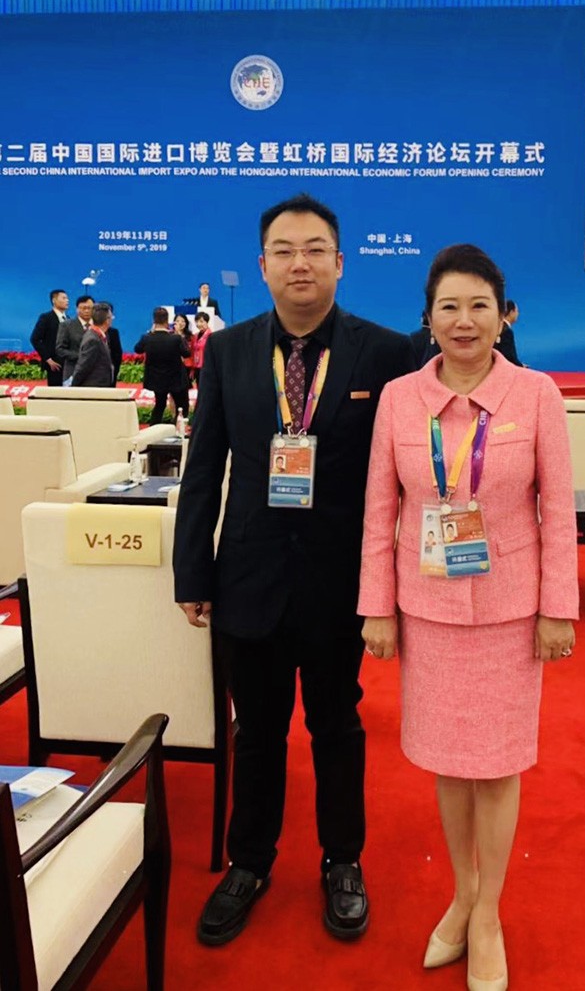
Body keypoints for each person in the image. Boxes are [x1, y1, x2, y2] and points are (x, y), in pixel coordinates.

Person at [172, 194, 414, 949]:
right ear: (262, 265)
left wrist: (395, 586)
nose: (299, 263)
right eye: (284, 250)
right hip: (249, 576)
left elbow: (407, 474)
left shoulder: (386, 353)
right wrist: (192, 573)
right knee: (258, 731)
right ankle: (249, 863)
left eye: (314, 250)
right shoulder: (230, 350)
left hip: (341, 581)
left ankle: (343, 861)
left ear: (340, 263)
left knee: (337, 725)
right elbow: (204, 467)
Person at [359, 244, 579, 991]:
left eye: (479, 305)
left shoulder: (537, 395)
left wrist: (558, 609)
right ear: (428, 319)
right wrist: (376, 608)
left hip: (512, 614)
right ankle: (462, 893)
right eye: (448, 306)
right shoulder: (399, 399)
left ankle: (488, 917)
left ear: (502, 315)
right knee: (449, 762)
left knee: (498, 763)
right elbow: (379, 511)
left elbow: (559, 512)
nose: (464, 320)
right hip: (427, 610)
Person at [134, 308, 190, 425]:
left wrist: (150, 332)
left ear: (153, 321)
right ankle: (177, 429)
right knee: (181, 406)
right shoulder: (176, 338)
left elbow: (138, 349)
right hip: (175, 379)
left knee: (160, 405)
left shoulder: (147, 338)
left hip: (156, 379)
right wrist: (179, 335)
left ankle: (153, 429)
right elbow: (186, 353)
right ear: (167, 321)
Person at [30, 289, 69, 386]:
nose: (67, 300)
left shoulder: (68, 319)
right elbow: (35, 339)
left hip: (68, 365)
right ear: (54, 300)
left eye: (67, 298)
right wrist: (48, 359)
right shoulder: (46, 318)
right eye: (64, 298)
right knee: (55, 392)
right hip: (54, 365)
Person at [71, 303, 114, 387]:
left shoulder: (97, 335)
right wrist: (73, 387)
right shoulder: (93, 340)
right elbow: (83, 366)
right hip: (93, 387)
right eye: (111, 317)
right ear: (107, 320)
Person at [55, 294, 94, 382]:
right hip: (72, 372)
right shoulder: (66, 326)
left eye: (89, 308)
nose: (87, 311)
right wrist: (81, 356)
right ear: (77, 309)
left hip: (95, 374)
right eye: (83, 308)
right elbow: (60, 349)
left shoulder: (99, 325)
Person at [498, 299, 523, 367]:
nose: (518, 314)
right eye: (517, 311)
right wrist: (521, 366)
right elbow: (509, 356)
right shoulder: (507, 331)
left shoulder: (498, 327)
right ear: (511, 312)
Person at [103, 302, 123, 385]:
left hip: (110, 373)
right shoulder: (90, 331)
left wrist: (115, 370)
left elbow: (117, 353)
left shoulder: (113, 332)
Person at [173, 313, 195, 385]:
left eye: (183, 321)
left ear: (186, 323)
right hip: (173, 366)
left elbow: (192, 352)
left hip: (186, 367)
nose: (180, 323)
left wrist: (192, 369)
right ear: (174, 323)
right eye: (178, 321)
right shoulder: (170, 335)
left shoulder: (191, 336)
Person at [191, 312, 211, 389]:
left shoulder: (211, 336)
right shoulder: (195, 336)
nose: (199, 324)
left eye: (201, 321)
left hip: (206, 367)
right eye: (197, 322)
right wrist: (192, 369)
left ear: (207, 322)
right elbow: (192, 352)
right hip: (196, 367)